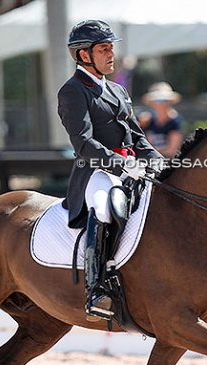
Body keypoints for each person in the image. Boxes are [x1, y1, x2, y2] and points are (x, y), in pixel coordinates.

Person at [57, 20, 163, 321]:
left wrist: (155, 161)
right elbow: (83, 143)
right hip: (95, 171)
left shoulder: (116, 89)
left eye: (111, 48)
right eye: (103, 48)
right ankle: (97, 289)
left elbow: (137, 136)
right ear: (83, 55)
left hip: (131, 168)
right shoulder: (73, 91)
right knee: (105, 208)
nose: (111, 54)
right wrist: (122, 164)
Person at [138, 82, 185, 159]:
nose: (161, 104)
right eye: (157, 100)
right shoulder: (147, 120)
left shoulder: (175, 121)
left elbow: (172, 150)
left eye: (165, 100)